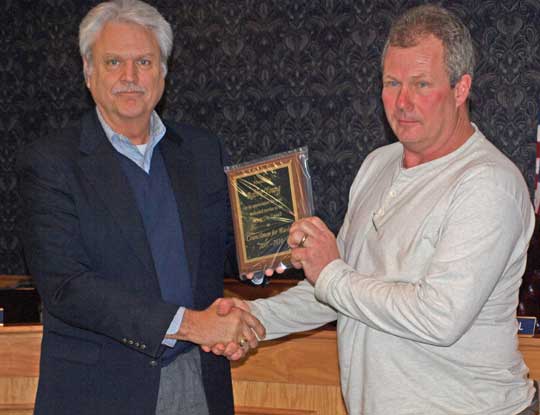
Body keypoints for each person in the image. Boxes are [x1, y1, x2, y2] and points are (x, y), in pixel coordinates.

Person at [215, 4, 538, 414]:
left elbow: (438, 318)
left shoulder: (489, 183)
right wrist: (250, 318)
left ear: (461, 89)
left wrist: (330, 272)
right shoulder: (378, 164)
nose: (403, 102)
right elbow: (335, 293)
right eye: (392, 83)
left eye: (422, 84)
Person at [16, 1, 264, 414]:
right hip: (98, 392)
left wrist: (262, 255)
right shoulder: (50, 162)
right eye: (113, 62)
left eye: (144, 62)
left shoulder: (202, 151)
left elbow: (220, 253)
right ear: (88, 71)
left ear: (163, 71)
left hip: (198, 380)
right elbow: (66, 287)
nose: (130, 77)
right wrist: (192, 324)